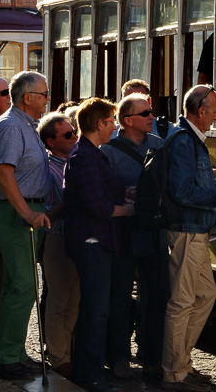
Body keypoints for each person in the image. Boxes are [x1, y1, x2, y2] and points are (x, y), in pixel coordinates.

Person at [162, 85, 216, 391]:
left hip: (195, 228)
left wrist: (215, 177)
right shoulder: (184, 142)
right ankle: (174, 373)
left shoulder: (191, 140)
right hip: (186, 231)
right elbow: (182, 191)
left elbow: (190, 183)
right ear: (200, 112)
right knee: (182, 302)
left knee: (205, 295)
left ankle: (182, 363)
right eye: (214, 111)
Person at [65, 97, 135, 392]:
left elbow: (107, 193)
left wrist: (130, 192)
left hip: (97, 240)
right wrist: (130, 209)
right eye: (112, 122)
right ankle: (89, 375)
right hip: (93, 241)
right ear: (99, 124)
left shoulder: (91, 153)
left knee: (96, 308)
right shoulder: (87, 156)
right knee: (96, 310)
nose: (115, 127)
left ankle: (90, 370)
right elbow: (98, 206)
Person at [0, 71, 52, 382]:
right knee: (23, 285)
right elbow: (4, 174)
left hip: (28, 211)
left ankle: (12, 352)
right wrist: (27, 212)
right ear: (28, 98)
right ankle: (5, 356)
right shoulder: (11, 126)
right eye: (44, 94)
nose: (47, 100)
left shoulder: (25, 125)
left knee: (19, 285)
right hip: (15, 213)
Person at [103, 93, 168, 379]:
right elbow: (100, 191)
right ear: (128, 120)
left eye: (150, 112)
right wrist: (123, 193)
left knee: (156, 294)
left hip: (153, 230)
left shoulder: (159, 145)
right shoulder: (108, 150)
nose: (151, 116)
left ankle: (152, 356)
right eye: (145, 113)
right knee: (118, 296)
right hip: (123, 231)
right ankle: (118, 357)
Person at [39, 112, 80, 379]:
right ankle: (57, 355)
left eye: (73, 131)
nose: (74, 136)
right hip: (58, 238)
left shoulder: (75, 162)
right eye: (67, 134)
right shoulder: (50, 167)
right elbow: (53, 208)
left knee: (74, 299)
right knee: (58, 299)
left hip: (75, 237)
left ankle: (68, 352)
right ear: (51, 142)